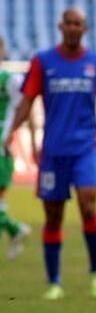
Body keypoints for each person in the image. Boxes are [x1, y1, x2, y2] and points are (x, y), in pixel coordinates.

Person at [4, 8, 96, 300]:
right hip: (53, 153)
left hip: (85, 149)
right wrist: (13, 130)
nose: (72, 28)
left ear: (85, 28)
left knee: (88, 206)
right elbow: (27, 101)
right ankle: (54, 282)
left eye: (77, 24)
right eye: (68, 23)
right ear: (61, 26)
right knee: (53, 217)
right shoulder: (43, 62)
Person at [0, 36, 33, 259]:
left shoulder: (10, 79)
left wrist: (12, 133)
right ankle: (15, 230)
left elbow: (26, 105)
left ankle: (15, 229)